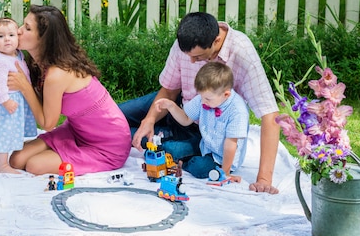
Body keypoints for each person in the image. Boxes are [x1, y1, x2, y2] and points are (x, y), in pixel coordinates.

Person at [119, 11, 280, 194]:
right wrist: (149, 120)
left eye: (198, 57)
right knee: (114, 114)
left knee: (146, 141)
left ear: (217, 41)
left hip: (204, 128)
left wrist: (264, 179)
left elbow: (269, 114)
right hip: (181, 107)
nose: (191, 61)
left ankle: (133, 135)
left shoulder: (242, 53)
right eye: (188, 55)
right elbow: (170, 91)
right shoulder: (187, 43)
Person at [7, 5, 131, 176]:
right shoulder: (40, 63)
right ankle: (63, 150)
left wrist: (25, 87)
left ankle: (66, 153)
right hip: (77, 130)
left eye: (27, 28)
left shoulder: (57, 74)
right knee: (16, 159)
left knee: (34, 165)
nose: (19, 31)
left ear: (45, 39)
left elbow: (47, 124)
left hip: (108, 145)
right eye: (23, 24)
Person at [154, 62, 249, 181]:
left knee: (198, 166)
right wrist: (170, 106)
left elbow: (231, 144)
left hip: (222, 159)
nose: (203, 102)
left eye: (207, 99)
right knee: (170, 149)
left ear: (226, 95)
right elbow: (186, 119)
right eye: (201, 97)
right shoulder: (205, 98)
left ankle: (183, 164)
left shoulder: (237, 111)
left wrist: (225, 173)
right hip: (205, 145)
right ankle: (177, 156)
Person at [0, 18, 38, 174]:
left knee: (6, 130)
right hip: (4, 102)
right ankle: (2, 165)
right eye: (1, 36)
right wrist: (5, 101)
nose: (7, 39)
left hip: (15, 98)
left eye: (11, 35)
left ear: (17, 37)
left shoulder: (17, 55)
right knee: (2, 131)